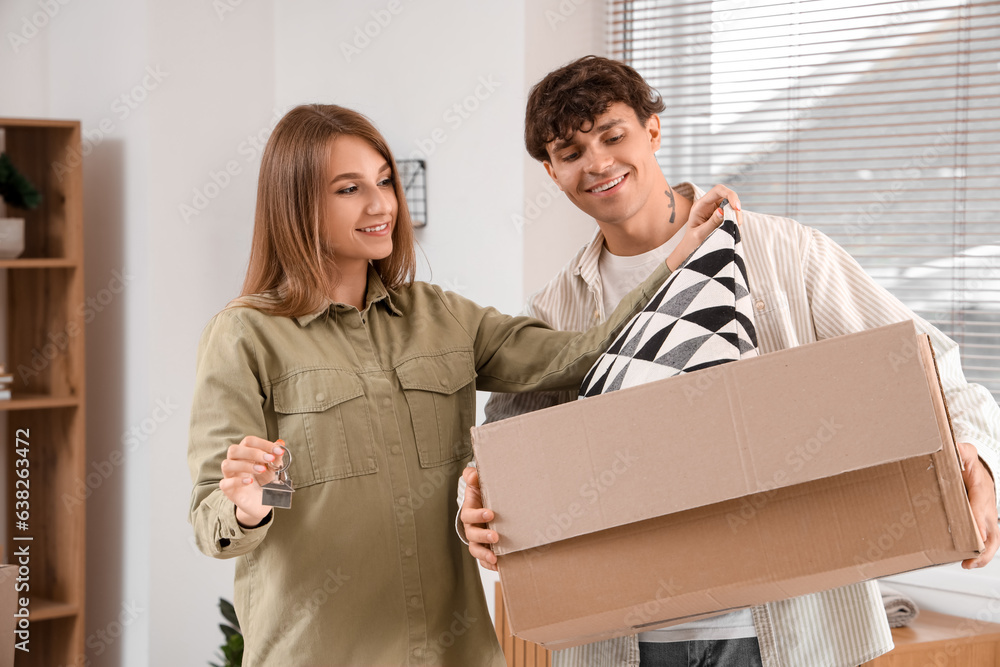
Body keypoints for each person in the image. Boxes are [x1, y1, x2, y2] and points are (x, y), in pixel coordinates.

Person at [459, 56, 1000, 667]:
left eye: (613, 135)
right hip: (624, 640)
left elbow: (931, 364)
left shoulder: (784, 251)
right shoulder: (557, 307)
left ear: (652, 130)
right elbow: (502, 458)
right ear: (552, 172)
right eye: (571, 152)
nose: (599, 163)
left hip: (797, 628)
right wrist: (472, 510)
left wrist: (976, 459)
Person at [186, 103, 729, 666]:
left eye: (385, 182)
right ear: (296, 203)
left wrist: (675, 263)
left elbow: (579, 355)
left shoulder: (440, 315)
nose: (381, 206)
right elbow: (212, 520)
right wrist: (251, 505)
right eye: (349, 189)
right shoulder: (244, 336)